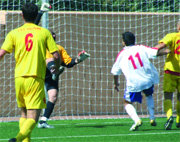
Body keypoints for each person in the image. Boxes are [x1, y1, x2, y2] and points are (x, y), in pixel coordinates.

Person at [0, 3, 61, 142]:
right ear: (36, 15)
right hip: (35, 78)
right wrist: (56, 69)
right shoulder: (44, 32)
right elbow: (56, 56)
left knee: (23, 114)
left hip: (19, 78)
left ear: (22, 15)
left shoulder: (14, 33)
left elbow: (1, 53)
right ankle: (17, 139)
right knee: (34, 117)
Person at [111, 32, 169, 131]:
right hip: (147, 80)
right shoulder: (141, 48)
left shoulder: (122, 54)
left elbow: (115, 72)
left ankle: (137, 120)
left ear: (124, 42)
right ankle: (152, 118)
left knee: (127, 102)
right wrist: (166, 51)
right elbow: (155, 52)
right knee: (149, 95)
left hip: (134, 83)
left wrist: (116, 83)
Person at [37, 31, 90, 128]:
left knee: (53, 96)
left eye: (54, 37)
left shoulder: (59, 48)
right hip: (37, 73)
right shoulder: (40, 47)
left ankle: (43, 121)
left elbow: (68, 63)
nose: (53, 39)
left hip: (49, 76)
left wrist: (79, 59)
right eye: (50, 37)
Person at [155, 21, 180, 130]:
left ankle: (169, 116)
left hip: (171, 70)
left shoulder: (172, 36)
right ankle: (179, 119)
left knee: (168, 94)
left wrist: (151, 51)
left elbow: (162, 45)